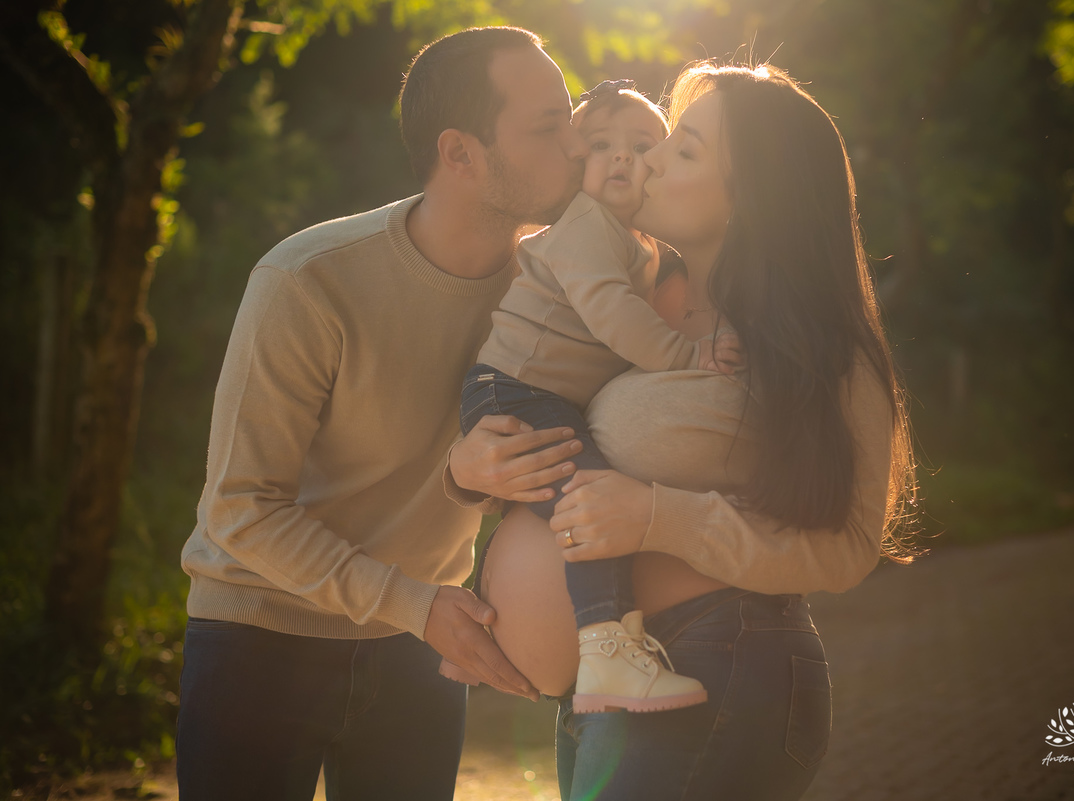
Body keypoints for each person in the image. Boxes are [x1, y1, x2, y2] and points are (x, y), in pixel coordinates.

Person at [449, 61, 918, 801]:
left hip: (717, 669)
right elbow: (538, 411)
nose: (651, 158)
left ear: (751, 198)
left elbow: (850, 546)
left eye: (685, 150)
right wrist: (470, 472)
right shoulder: (630, 300)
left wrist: (660, 517)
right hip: (601, 693)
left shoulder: (813, 347)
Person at [174, 26, 594, 800]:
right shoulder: (308, 280)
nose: (574, 144)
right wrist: (418, 605)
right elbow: (239, 509)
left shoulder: (560, 288)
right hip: (261, 635)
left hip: (418, 644)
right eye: (546, 126)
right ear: (460, 154)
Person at [449, 80, 740, 714]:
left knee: (575, 498)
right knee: (590, 503)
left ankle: (588, 638)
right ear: (576, 161)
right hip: (516, 388)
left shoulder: (643, 248)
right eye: (601, 145)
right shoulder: (586, 225)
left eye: (642, 146)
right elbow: (612, 316)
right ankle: (610, 649)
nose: (621, 158)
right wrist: (690, 358)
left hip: (539, 394)